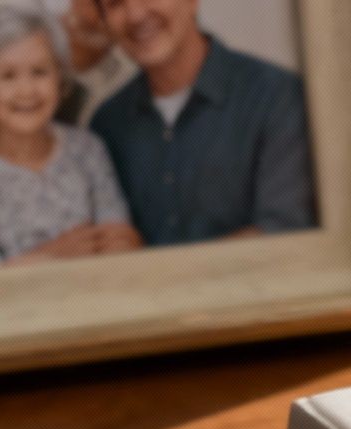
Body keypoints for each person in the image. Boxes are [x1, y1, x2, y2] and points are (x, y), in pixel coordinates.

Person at [87, 0, 317, 246]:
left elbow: (284, 233)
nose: (135, 14)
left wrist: (160, 267)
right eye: (115, 3)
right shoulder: (106, 126)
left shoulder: (278, 97)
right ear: (104, 23)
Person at [0, 7, 140, 270]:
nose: (26, 90)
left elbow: (118, 241)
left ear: (60, 78)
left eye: (39, 72)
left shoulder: (88, 149)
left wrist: (23, 263)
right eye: (8, 76)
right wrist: (56, 254)